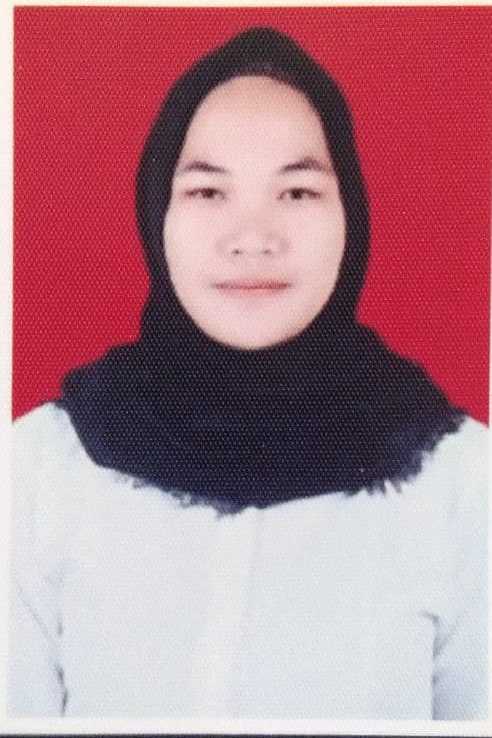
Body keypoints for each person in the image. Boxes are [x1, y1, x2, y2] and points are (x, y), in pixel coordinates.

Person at [9, 27, 487, 720]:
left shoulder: (463, 484)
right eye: (208, 192)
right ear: (157, 212)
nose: (253, 237)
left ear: (350, 214)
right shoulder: (39, 472)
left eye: (296, 192)